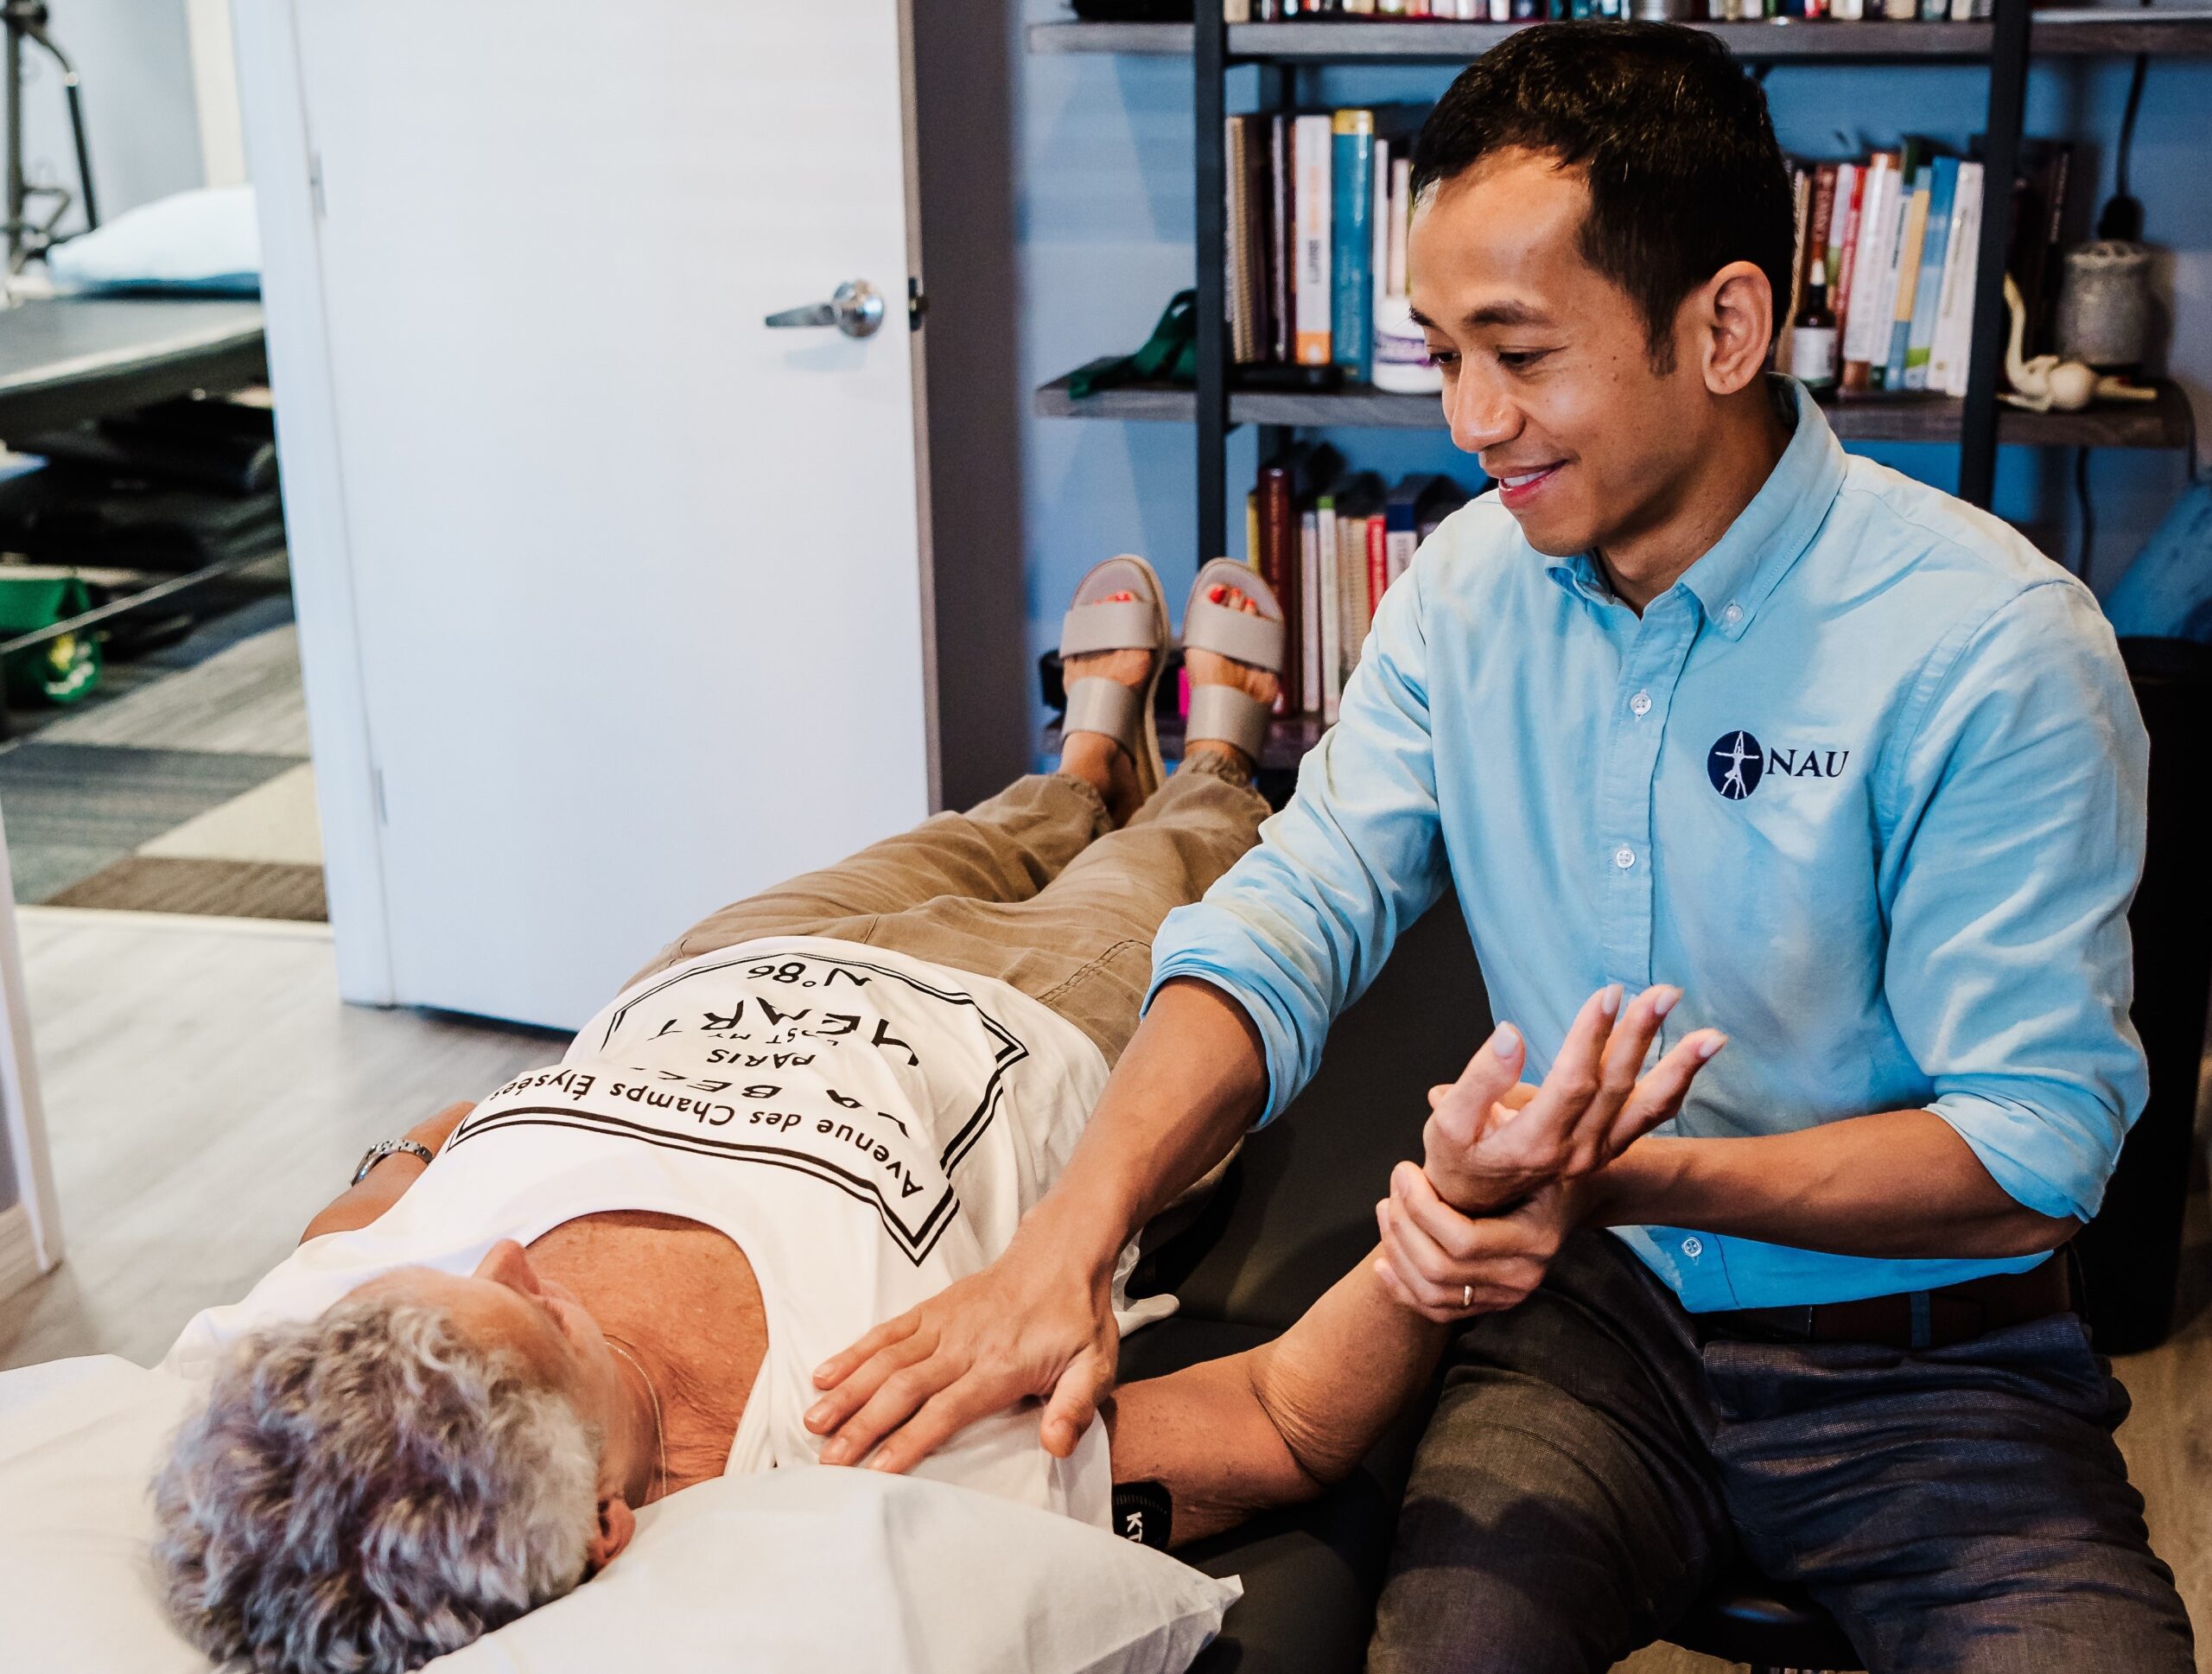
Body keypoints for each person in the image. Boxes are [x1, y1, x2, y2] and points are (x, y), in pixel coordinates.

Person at [804, 22, 2196, 1671]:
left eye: (1518, 351)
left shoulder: (1995, 645)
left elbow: (2037, 1149)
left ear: (1726, 326)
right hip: (1589, 1328)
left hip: (1933, 1373)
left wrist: (1613, 1175)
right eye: (1442, 349)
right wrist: (1066, 1244)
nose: (1469, 416)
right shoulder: (1464, 591)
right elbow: (1290, 916)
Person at [147, 553, 1726, 1674]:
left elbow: (379, 1185)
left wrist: (432, 1150)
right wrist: (1439, 1240)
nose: (504, 1255)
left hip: (719, 970)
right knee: (1172, 866)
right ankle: (1212, 762)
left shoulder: (296, 1359)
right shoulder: (844, 1458)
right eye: (538, 1323)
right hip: (1036, 1021)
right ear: (615, 1523)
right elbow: (1281, 1423)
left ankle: (1082, 752)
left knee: (973, 829)